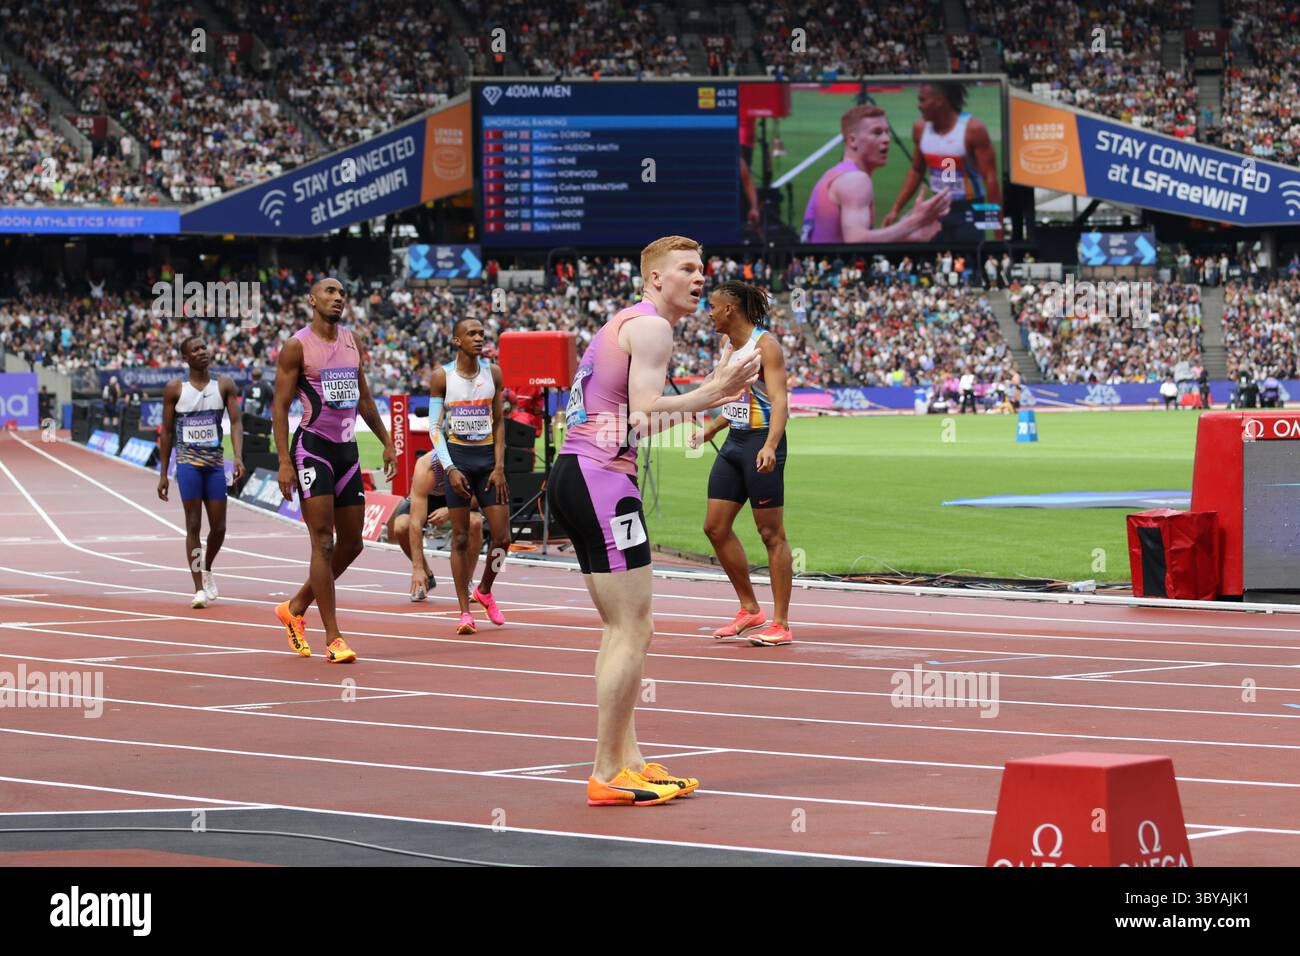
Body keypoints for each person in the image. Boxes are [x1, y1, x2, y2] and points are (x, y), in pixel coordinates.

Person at [547, 235, 760, 807]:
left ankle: (627, 759)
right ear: (654, 278)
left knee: (624, 627)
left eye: (702, 269)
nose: (699, 278)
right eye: (686, 269)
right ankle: (605, 772)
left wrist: (706, 400)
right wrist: (714, 389)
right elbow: (642, 411)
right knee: (632, 628)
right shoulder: (653, 328)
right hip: (601, 480)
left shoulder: (628, 324)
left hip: (577, 472)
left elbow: (634, 424)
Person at [272, 277, 396, 664]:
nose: (338, 297)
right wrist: (283, 462)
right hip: (313, 450)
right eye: (330, 291)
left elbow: (364, 398)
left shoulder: (351, 341)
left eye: (342, 293)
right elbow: (279, 407)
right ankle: (333, 636)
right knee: (322, 542)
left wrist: (387, 440)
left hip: (348, 451)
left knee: (352, 543)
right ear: (312, 300)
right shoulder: (297, 346)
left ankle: (295, 606)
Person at [687, 281, 794, 646]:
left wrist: (770, 445)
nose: (710, 313)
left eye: (713, 307)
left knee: (771, 534)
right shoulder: (726, 345)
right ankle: (750, 609)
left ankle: (780, 622)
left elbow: (779, 402)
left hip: (760, 446)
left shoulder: (766, 346)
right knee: (715, 528)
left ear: (730, 310)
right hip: (734, 441)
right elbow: (735, 396)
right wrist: (711, 429)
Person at [427, 317, 512, 635]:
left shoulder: (493, 373)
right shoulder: (442, 376)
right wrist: (449, 468)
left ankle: (485, 590)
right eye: (471, 334)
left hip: (489, 461)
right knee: (461, 538)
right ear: (456, 341)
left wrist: (500, 466)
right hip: (458, 459)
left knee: (503, 538)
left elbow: (500, 422)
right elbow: (435, 428)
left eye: (481, 333)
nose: (478, 338)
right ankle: (464, 611)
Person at [156, 335, 245, 608]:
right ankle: (198, 588)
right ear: (185, 358)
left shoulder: (224, 384)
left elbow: (236, 421)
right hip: (188, 464)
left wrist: (238, 457)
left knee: (219, 527)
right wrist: (163, 474)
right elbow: (168, 432)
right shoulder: (175, 389)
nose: (202, 352)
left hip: (215, 463)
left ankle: (207, 568)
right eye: (195, 350)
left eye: (204, 347)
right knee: (193, 525)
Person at [801, 104, 949, 244]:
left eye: (887, 132)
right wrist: (914, 222)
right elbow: (856, 241)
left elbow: (844, 240)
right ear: (853, 140)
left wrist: (905, 234)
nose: (886, 139)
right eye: (877, 133)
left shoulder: (835, 174)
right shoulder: (855, 181)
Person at [885, 81, 1003, 242]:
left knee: (968, 262)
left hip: (969, 208)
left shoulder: (973, 129)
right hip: (937, 209)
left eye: (922, 100)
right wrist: (895, 209)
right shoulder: (920, 129)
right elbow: (917, 171)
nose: (918, 106)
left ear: (940, 100)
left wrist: (998, 232)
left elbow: (990, 179)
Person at [386, 452, 484, 602]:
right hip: (428, 497)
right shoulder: (425, 466)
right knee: (401, 526)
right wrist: (417, 568)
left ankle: (467, 581)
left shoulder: (469, 459)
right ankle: (426, 576)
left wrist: (449, 511)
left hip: (460, 497)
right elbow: (415, 523)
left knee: (475, 523)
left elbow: (480, 498)